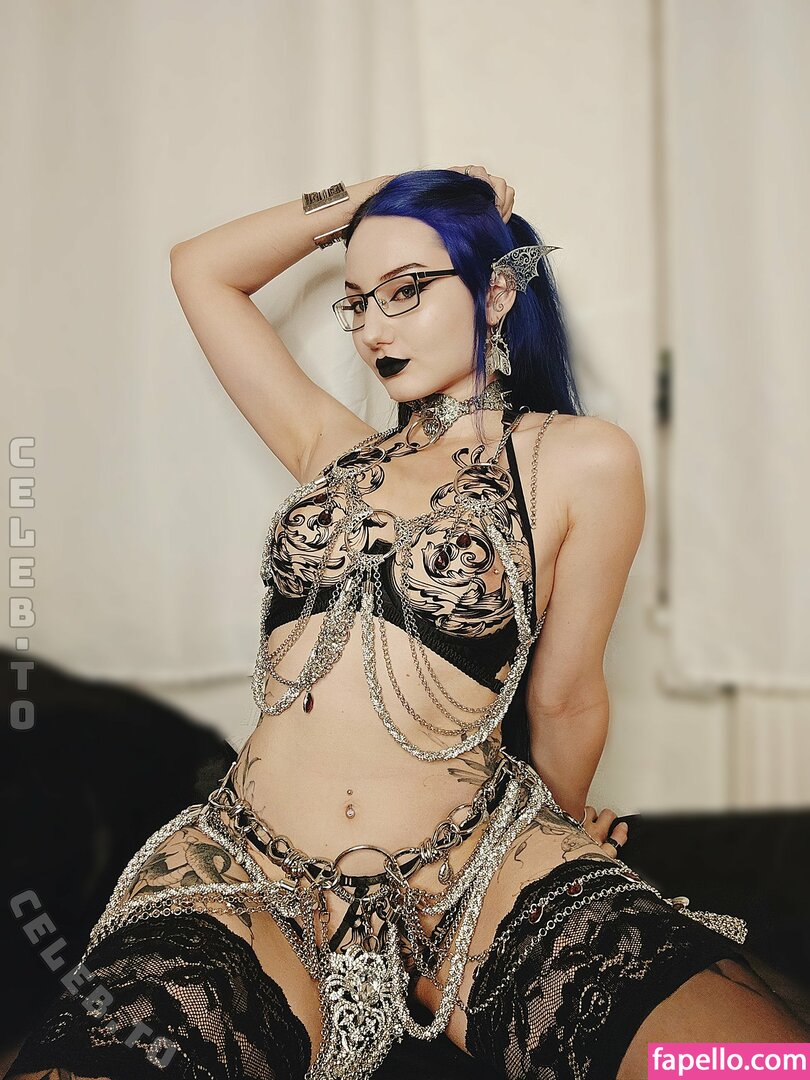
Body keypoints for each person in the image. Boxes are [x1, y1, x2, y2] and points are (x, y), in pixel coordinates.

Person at [8, 166, 809, 1080]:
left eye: (407, 290)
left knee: (750, 1066)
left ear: (497, 291)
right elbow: (201, 268)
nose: (374, 329)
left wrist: (562, 828)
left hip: (467, 867)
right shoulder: (330, 447)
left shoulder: (577, 461)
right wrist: (375, 194)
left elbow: (566, 696)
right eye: (357, 302)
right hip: (254, 872)